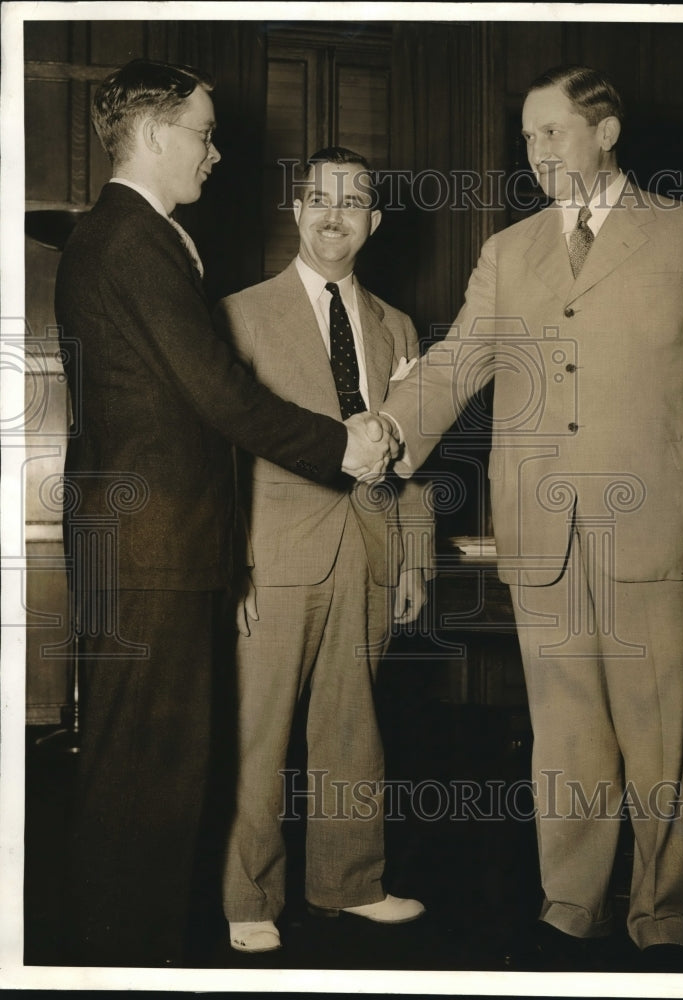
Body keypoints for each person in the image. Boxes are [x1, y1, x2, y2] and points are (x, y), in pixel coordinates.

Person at [381, 65, 683, 971]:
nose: (535, 151)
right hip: (543, 536)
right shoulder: (509, 252)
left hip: (655, 529)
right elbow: (457, 362)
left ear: (606, 132)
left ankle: (665, 913)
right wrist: (389, 425)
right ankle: (570, 902)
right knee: (565, 735)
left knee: (659, 730)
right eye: (525, 137)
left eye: (549, 131)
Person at [55, 60, 396, 968]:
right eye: (205, 134)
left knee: (151, 768)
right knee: (145, 771)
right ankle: (124, 960)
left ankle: (131, 952)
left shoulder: (137, 237)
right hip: (149, 547)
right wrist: (341, 447)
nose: (215, 153)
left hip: (151, 545)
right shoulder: (132, 241)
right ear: (158, 135)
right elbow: (219, 394)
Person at [216, 147, 433, 954]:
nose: (331, 214)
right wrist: (228, 565)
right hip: (269, 554)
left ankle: (349, 883)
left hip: (368, 551)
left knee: (353, 728)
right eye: (316, 198)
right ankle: (250, 898)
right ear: (296, 210)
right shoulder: (239, 315)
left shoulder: (397, 325)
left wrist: (414, 555)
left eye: (352, 202)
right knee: (259, 731)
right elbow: (224, 456)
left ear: (373, 222)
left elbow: (416, 453)